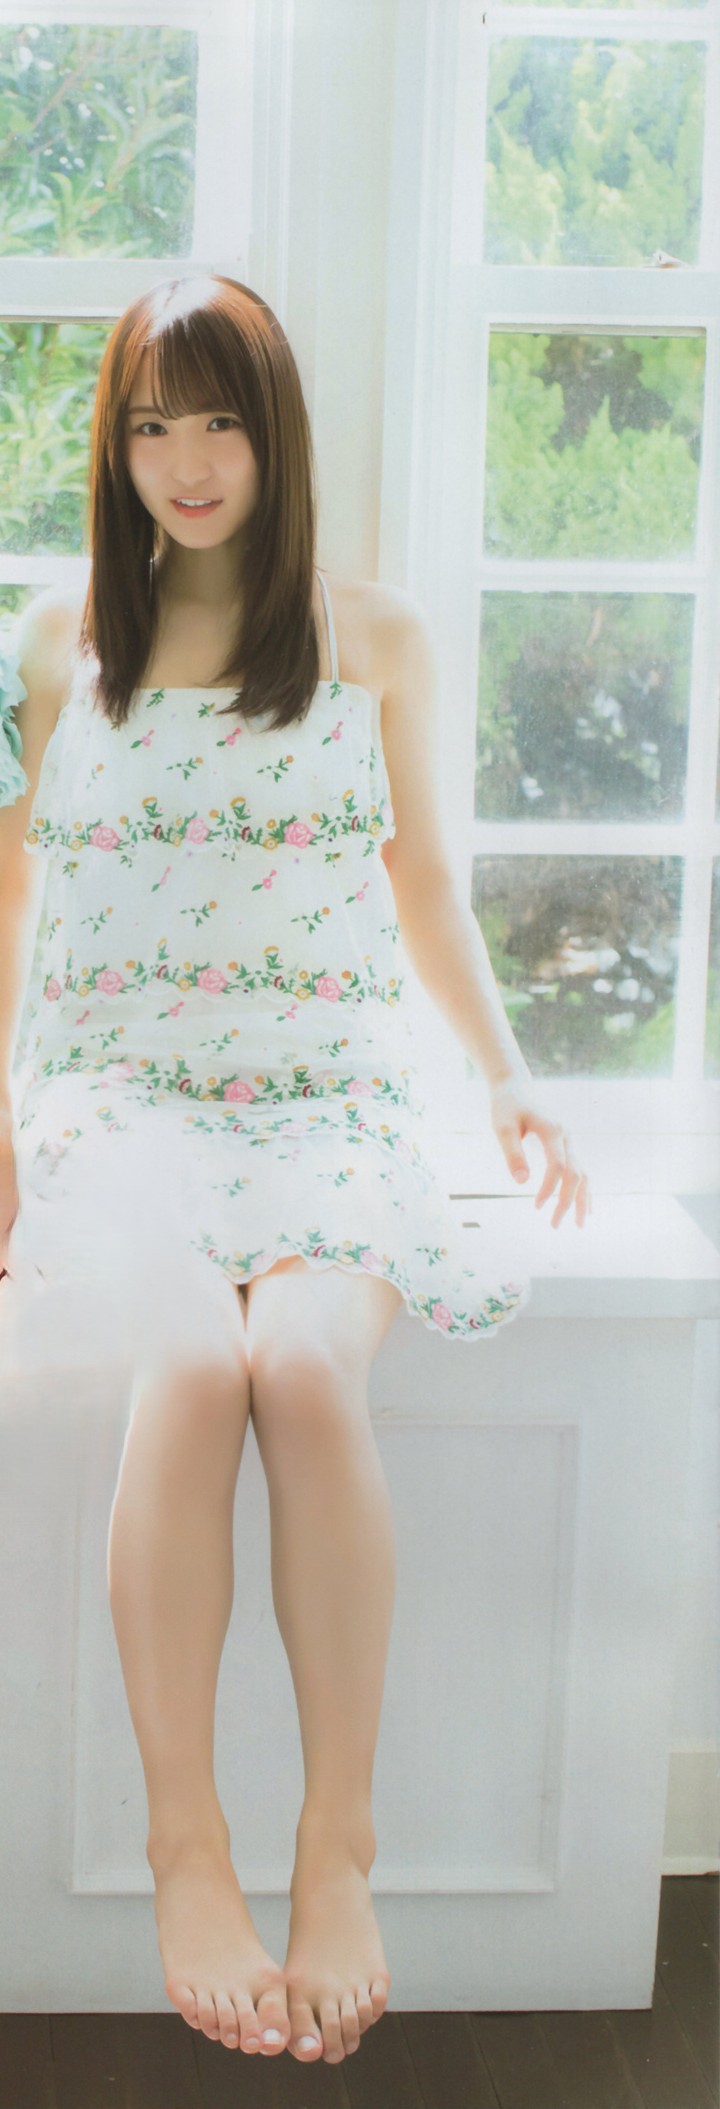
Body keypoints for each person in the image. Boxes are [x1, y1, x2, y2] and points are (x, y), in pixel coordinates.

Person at [0, 272, 590, 2066]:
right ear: (114, 447)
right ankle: (189, 1845)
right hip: (118, 1098)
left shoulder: (373, 640)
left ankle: (340, 1843)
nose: (186, 460)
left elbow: (426, 887)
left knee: (307, 1375)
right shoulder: (54, 641)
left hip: (330, 1098)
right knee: (194, 1369)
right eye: (150, 425)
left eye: (220, 421)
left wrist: (507, 1078)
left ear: (276, 436)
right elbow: (14, 896)